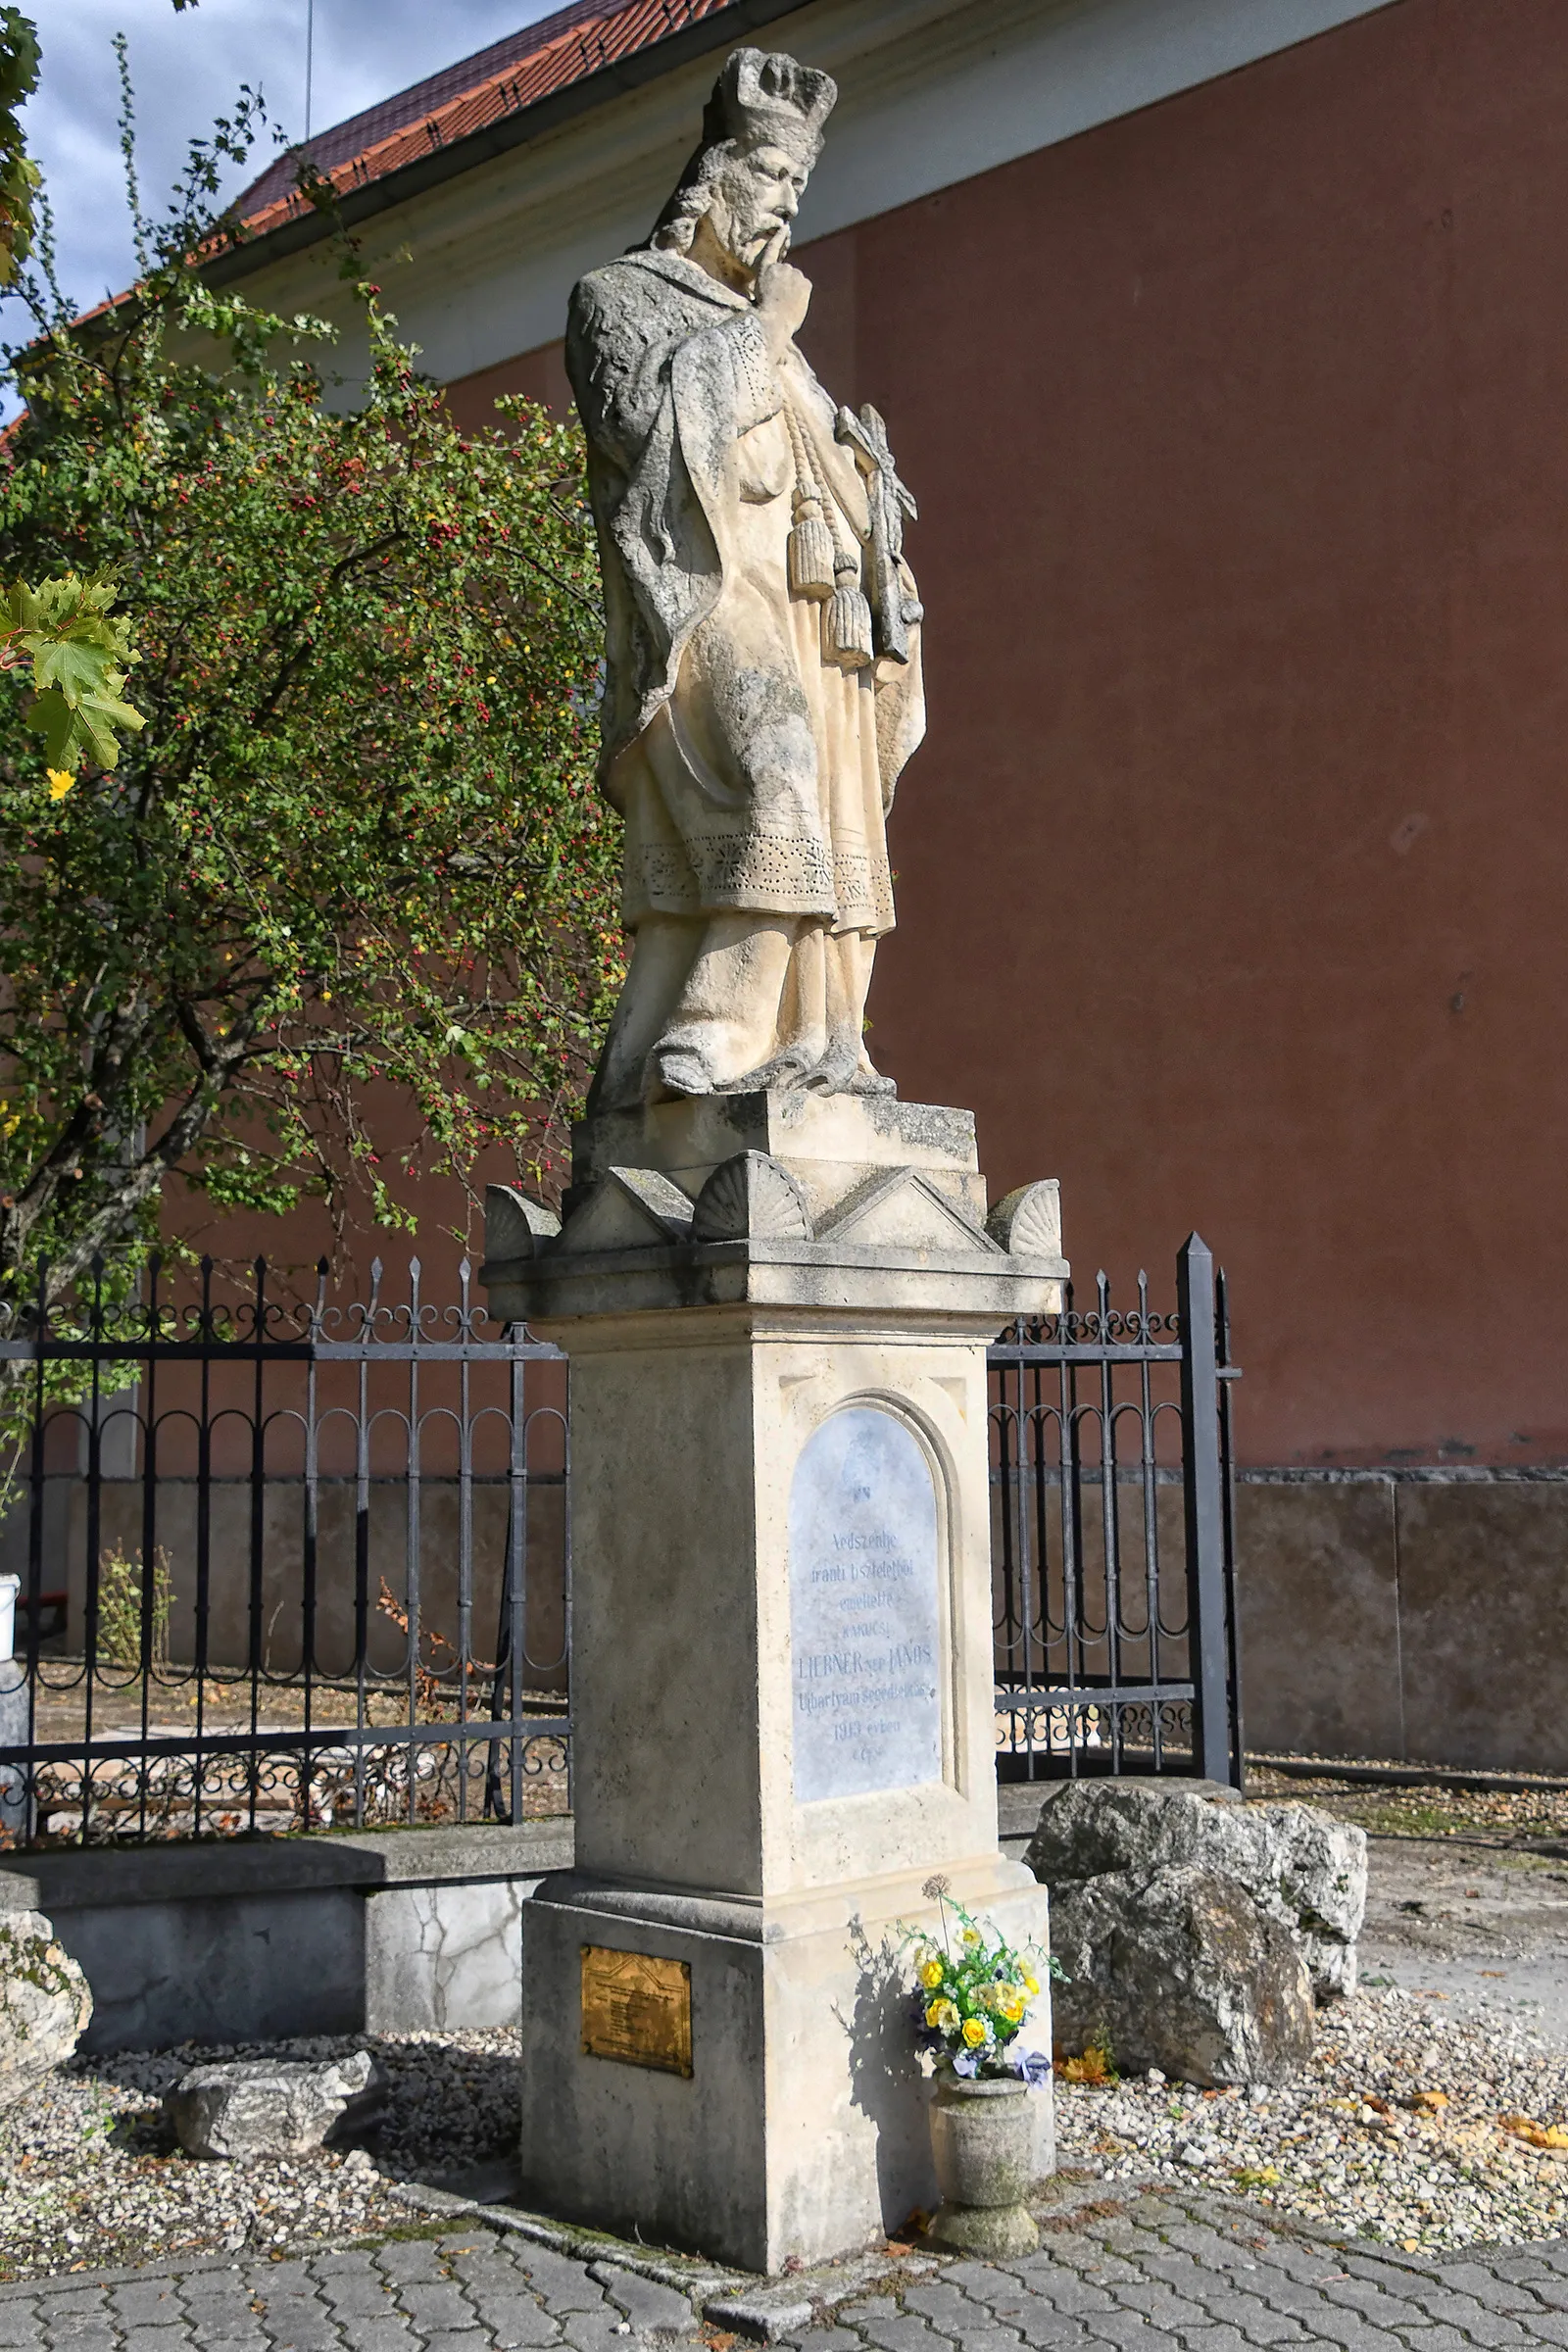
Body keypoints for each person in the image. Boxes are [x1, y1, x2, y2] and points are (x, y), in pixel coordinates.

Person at [566, 46, 925, 1111]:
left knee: (823, 808)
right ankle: (713, 1033)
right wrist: (761, 334)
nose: (780, 215)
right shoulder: (619, 299)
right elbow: (644, 429)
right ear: (709, 183)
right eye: (766, 184)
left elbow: (825, 486)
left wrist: (877, 523)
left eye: (794, 195)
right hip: (708, 596)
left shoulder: (787, 354)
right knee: (778, 784)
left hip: (810, 621)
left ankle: (807, 1046)